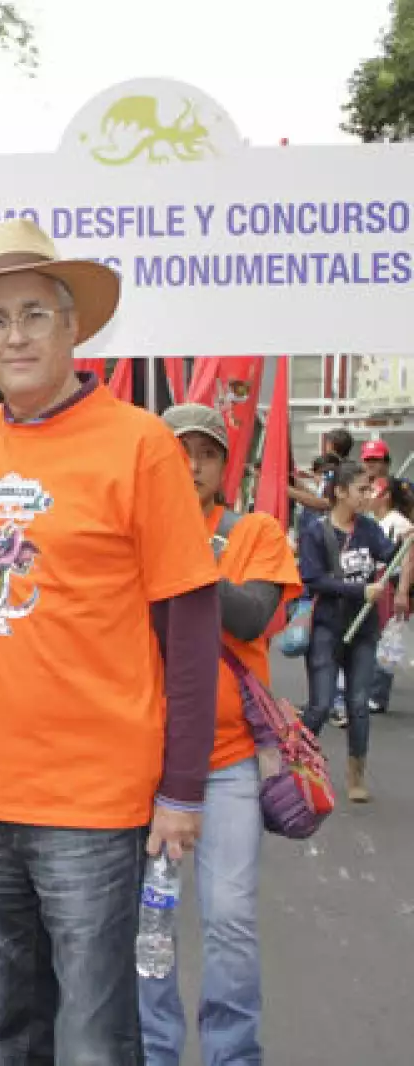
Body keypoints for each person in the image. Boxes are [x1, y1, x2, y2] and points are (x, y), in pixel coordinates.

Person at [0, 218, 219, 1063]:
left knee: (94, 1039)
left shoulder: (141, 444)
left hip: (96, 801)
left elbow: (191, 627)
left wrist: (183, 791)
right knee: (11, 1033)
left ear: (73, 325)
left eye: (33, 314)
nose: (14, 336)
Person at [139, 404, 300, 1066]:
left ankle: (234, 1055)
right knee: (152, 926)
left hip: (230, 763)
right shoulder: (134, 531)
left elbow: (254, 615)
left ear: (223, 464)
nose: (193, 464)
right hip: (147, 764)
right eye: (180, 451)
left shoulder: (254, 531)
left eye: (206, 453)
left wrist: (185, 555)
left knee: (228, 921)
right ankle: (155, 1051)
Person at [299, 459, 396, 803]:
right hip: (327, 628)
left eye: (370, 489)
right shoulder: (315, 530)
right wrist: (360, 591)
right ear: (340, 491)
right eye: (361, 489)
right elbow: (312, 579)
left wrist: (404, 546)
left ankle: (356, 773)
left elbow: (389, 556)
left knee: (357, 704)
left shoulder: (369, 529)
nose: (368, 495)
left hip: (364, 632)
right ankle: (296, 766)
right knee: (321, 705)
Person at [371, 477, 414, 712]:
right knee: (374, 634)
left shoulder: (399, 523)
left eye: (373, 490)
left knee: (388, 636)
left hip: (390, 581)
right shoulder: (372, 520)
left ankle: (378, 694)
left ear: (386, 495)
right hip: (375, 579)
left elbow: (408, 559)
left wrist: (402, 591)